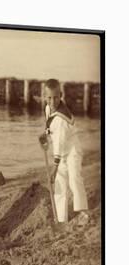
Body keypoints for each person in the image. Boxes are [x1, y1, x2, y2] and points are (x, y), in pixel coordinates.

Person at [39, 78, 89, 225]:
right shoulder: (48, 109)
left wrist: (55, 166)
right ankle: (61, 218)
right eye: (49, 97)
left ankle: (83, 212)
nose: (52, 101)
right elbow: (50, 127)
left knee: (74, 179)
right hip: (61, 151)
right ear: (44, 97)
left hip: (72, 151)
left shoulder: (61, 118)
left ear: (60, 95)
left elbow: (59, 142)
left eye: (55, 97)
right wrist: (46, 134)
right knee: (60, 183)